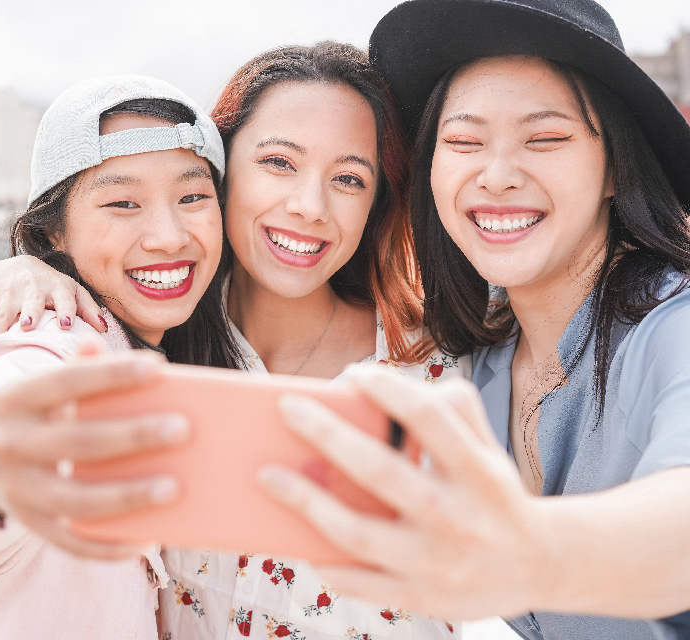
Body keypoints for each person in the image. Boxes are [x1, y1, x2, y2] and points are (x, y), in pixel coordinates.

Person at [0, 44, 464, 639]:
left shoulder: (442, 373)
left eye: (349, 178)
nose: (308, 206)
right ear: (226, 175)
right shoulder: (129, 345)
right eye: (278, 162)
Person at [256, 1, 690, 639]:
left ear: (615, 167)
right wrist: (52, 264)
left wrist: (528, 552)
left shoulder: (671, 320)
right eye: (463, 142)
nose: (497, 175)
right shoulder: (468, 357)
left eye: (545, 139)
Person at [0, 74, 243, 638]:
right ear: (54, 230)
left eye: (193, 197)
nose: (168, 235)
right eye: (123, 202)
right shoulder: (58, 344)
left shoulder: (156, 354)